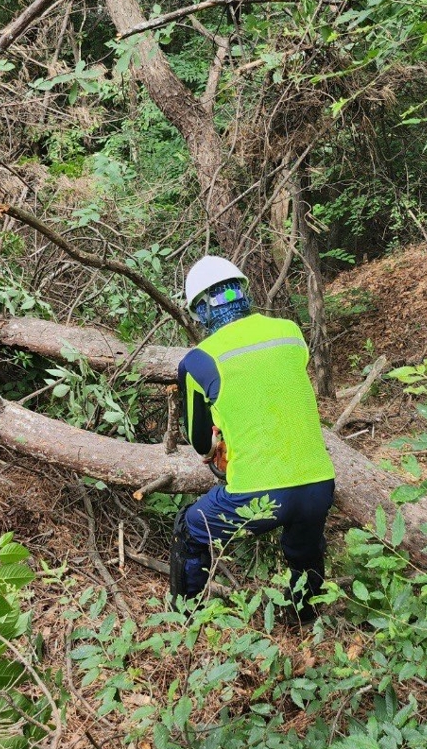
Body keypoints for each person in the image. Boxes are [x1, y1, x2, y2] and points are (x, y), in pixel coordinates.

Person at [170, 256, 336, 621]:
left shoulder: (198, 361)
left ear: (200, 310)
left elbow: (200, 443)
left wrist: (216, 443)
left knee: (190, 527)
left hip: (258, 497)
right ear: (242, 292)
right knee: (303, 549)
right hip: (319, 486)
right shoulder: (291, 332)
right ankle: (304, 618)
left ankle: (187, 618)